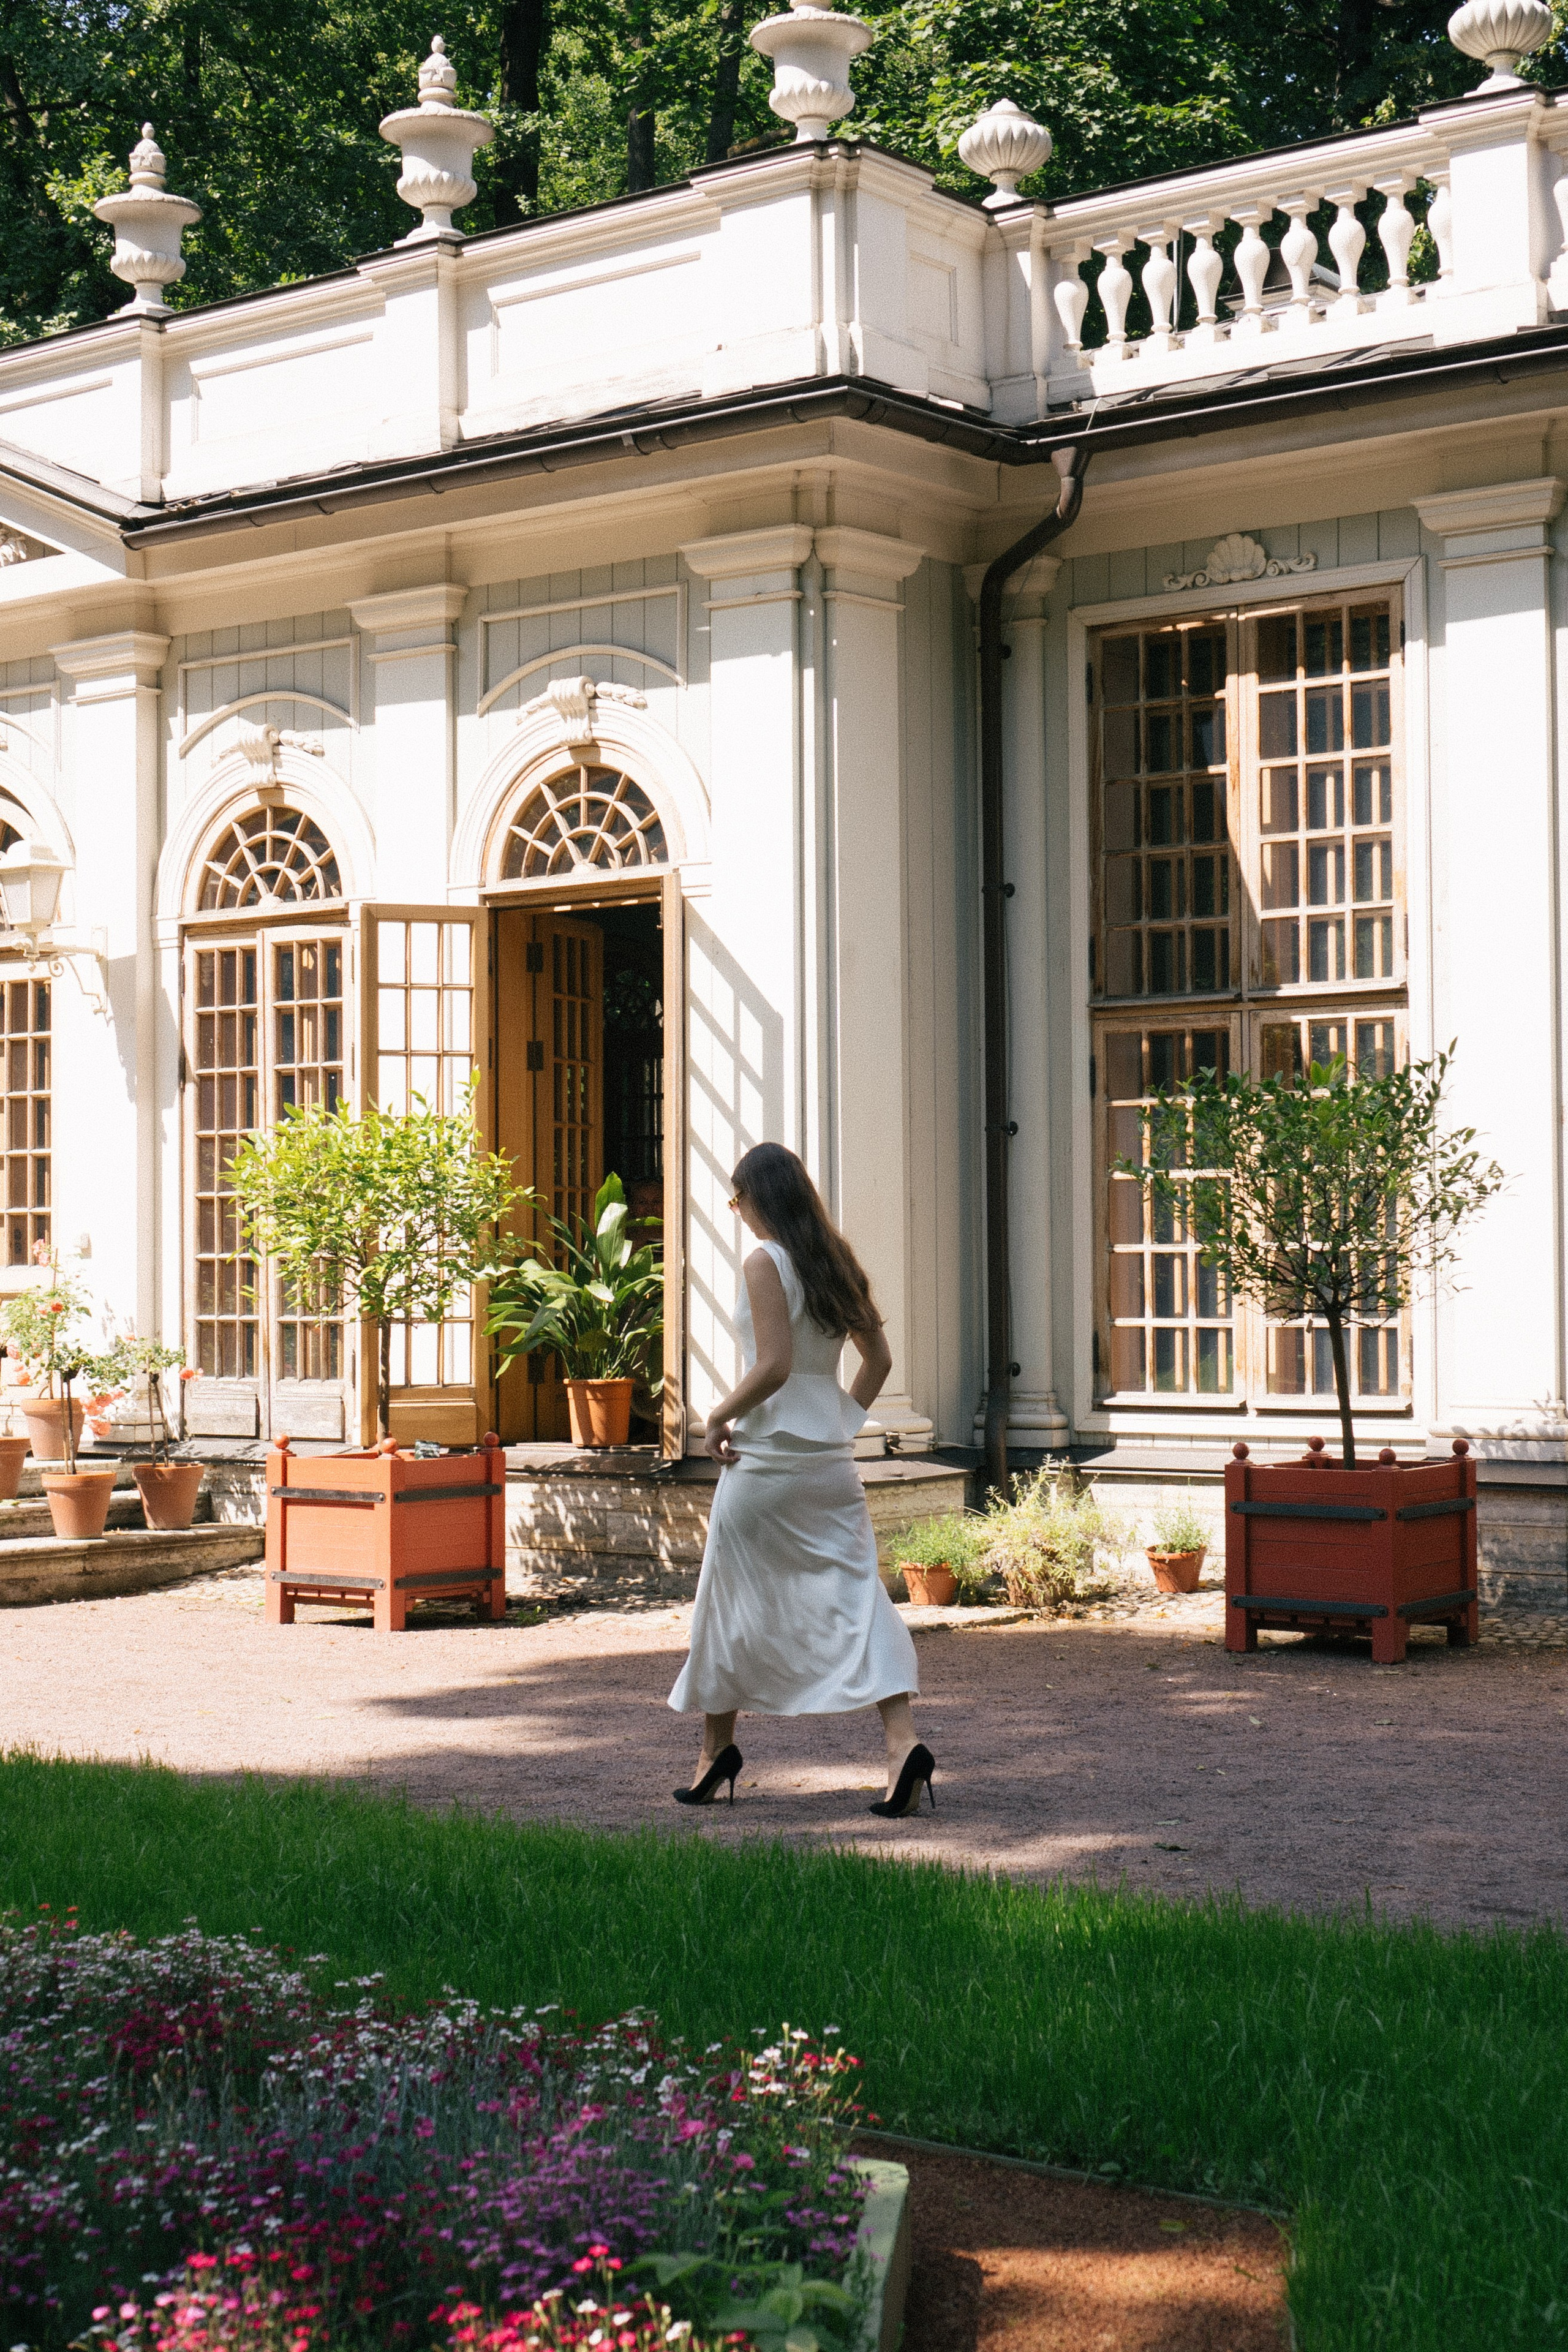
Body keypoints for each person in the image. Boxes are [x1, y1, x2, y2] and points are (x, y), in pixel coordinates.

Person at [667, 1142, 935, 1817]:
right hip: (828, 1466)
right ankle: (902, 1745)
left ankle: (714, 1753)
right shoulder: (833, 1260)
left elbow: (774, 1366)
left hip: (766, 1465)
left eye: (736, 1201)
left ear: (757, 1197)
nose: (737, 1214)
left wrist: (715, 1416)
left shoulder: (766, 1260)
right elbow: (877, 1359)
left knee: (729, 1603)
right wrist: (838, 1419)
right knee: (858, 1598)